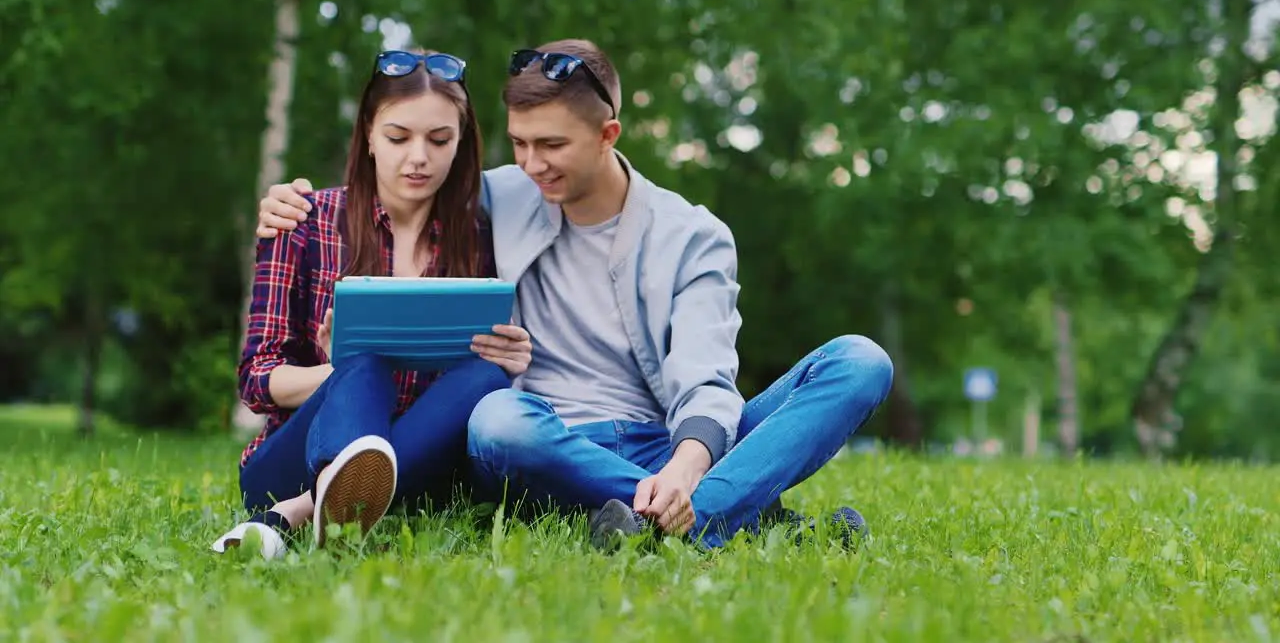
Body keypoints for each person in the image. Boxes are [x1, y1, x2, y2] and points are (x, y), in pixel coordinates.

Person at [255, 39, 893, 551]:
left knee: (859, 361)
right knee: (496, 419)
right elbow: (409, 170)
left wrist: (687, 466)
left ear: (608, 135)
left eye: (553, 146)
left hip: (667, 437)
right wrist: (292, 204)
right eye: (521, 144)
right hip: (548, 442)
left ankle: (685, 514)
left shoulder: (693, 236)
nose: (533, 165)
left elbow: (706, 377)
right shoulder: (501, 195)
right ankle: (739, 515)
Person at [212, 49, 533, 560]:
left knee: (487, 377)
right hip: (289, 460)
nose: (418, 158)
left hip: (414, 461)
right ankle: (319, 490)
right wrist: (340, 372)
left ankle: (300, 511)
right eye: (398, 137)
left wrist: (510, 358)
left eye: (439, 140)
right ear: (367, 135)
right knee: (366, 366)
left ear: (461, 143)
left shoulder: (481, 240)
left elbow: (465, 390)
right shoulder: (303, 220)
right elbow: (256, 379)